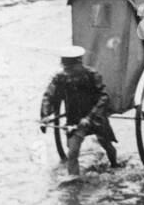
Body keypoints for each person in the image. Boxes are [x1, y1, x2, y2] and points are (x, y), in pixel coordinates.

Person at [40, 45, 118, 177]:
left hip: (95, 118)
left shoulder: (92, 75)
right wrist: (45, 115)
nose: (67, 72)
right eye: (65, 68)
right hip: (75, 120)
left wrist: (90, 117)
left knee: (107, 146)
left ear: (79, 63)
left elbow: (104, 97)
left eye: (70, 68)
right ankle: (74, 183)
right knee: (73, 153)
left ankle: (115, 166)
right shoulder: (61, 77)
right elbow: (49, 95)